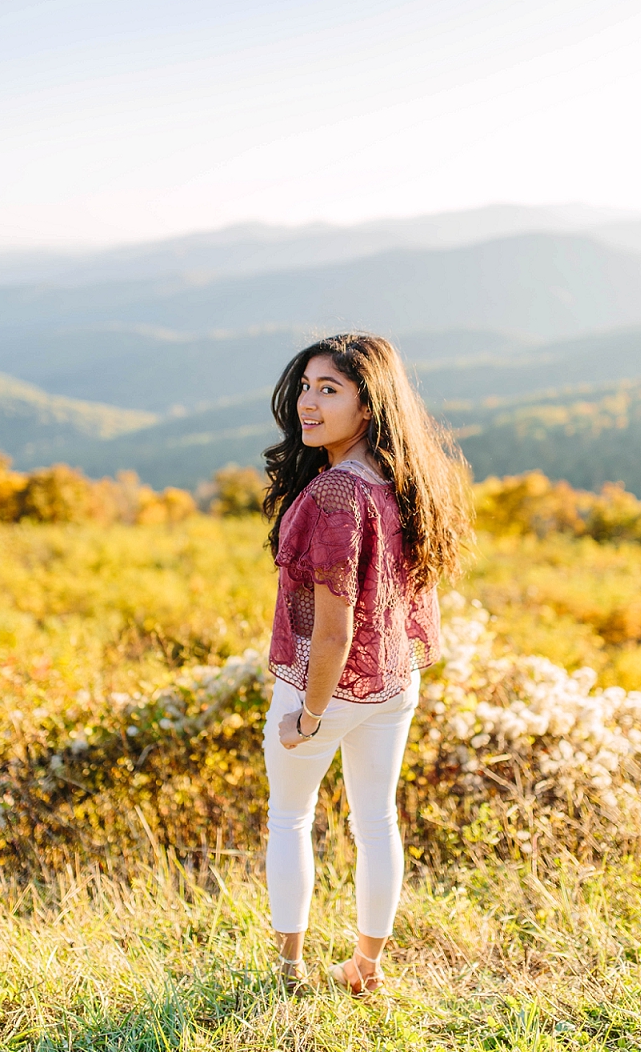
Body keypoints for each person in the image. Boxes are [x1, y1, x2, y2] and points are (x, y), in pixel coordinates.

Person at [261, 333, 471, 994]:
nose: (308, 403)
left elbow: (331, 631)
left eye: (330, 389)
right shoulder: (405, 479)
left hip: (331, 686)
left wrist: (309, 713)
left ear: (368, 402)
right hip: (392, 682)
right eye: (305, 387)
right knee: (375, 819)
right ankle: (366, 966)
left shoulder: (335, 494)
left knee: (290, 817)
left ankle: (289, 970)